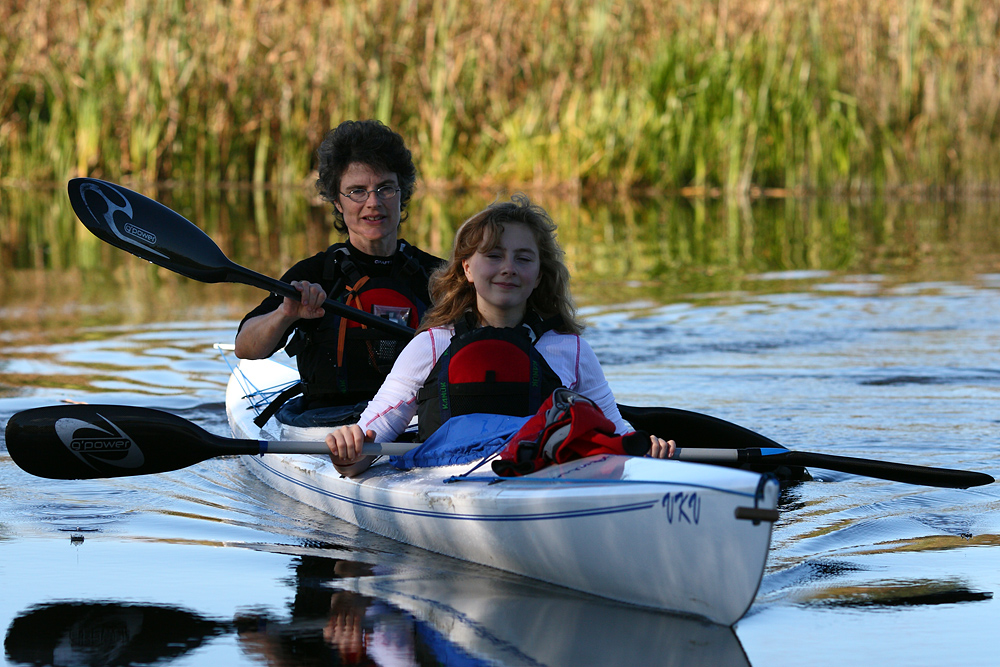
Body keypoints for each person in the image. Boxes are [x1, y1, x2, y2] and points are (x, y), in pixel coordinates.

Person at [325, 194, 674, 475]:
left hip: (538, 477)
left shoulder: (570, 349)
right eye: (493, 256)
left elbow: (613, 429)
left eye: (523, 259)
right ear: (467, 268)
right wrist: (347, 452)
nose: (508, 268)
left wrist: (646, 449)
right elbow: (371, 438)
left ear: (538, 275)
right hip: (446, 483)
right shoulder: (432, 345)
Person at [234, 120, 443, 426]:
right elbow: (246, 348)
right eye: (357, 191)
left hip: (412, 421)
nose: (373, 203)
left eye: (385, 188)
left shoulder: (437, 275)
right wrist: (286, 314)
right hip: (327, 423)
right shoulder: (315, 274)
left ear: (402, 194)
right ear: (337, 203)